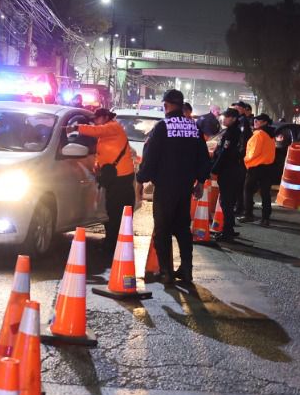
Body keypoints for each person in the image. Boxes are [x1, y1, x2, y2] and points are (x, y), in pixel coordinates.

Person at [137, 89, 212, 285]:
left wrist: (141, 178)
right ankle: (186, 269)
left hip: (165, 187)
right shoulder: (193, 127)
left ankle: (166, 272)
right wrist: (201, 181)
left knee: (162, 229)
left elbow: (150, 155)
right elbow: (203, 158)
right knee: (182, 228)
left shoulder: (163, 127)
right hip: (185, 187)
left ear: (167, 105)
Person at [77, 108, 136, 241]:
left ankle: (114, 241)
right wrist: (97, 165)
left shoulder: (113, 127)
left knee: (116, 210)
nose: (95, 123)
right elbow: (101, 153)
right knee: (112, 209)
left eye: (96, 119)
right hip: (113, 176)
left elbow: (97, 131)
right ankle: (113, 238)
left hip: (121, 177)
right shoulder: (107, 133)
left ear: (104, 117)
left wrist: (76, 127)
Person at [211, 106, 247, 240]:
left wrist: (214, 169)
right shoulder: (233, 131)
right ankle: (229, 228)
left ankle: (227, 232)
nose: (223, 119)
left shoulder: (232, 133)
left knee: (226, 202)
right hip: (233, 170)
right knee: (228, 201)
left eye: (226, 117)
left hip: (229, 171)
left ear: (233, 119)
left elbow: (224, 154)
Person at [243, 113, 278, 226]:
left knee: (248, 190)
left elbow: (253, 153)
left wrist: (245, 160)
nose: (255, 122)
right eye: (255, 120)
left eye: (258, 120)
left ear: (265, 122)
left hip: (255, 167)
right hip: (268, 167)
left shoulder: (259, 134)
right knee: (265, 193)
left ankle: (248, 214)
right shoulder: (271, 135)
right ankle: (265, 218)